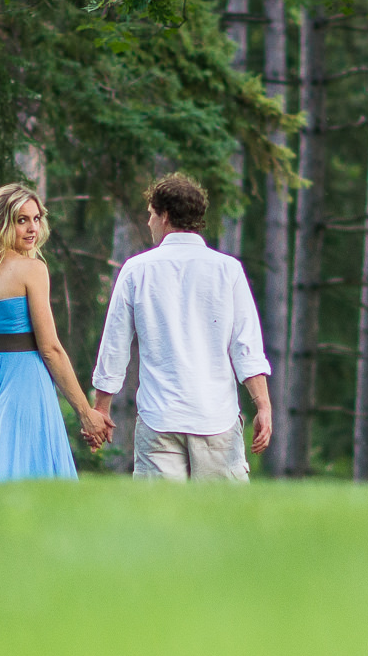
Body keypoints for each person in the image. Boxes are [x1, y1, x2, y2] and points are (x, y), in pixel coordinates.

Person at [90, 173, 271, 481]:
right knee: (221, 522)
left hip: (160, 419)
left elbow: (115, 347)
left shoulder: (137, 270)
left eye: (151, 214)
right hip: (216, 419)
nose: (148, 222)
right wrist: (263, 406)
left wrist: (101, 409)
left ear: (166, 216)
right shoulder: (228, 271)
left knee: (160, 523)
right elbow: (245, 346)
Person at [0, 183, 111, 480]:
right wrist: (87, 414)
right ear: (0, 223)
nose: (32, 228)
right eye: (21, 220)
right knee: (31, 490)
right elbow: (50, 349)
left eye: (36, 219)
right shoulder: (31, 270)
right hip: (22, 386)